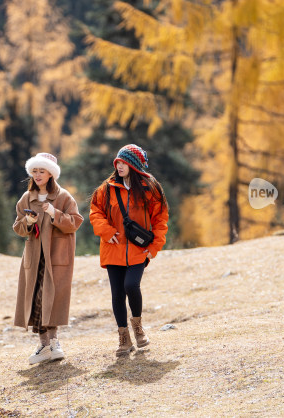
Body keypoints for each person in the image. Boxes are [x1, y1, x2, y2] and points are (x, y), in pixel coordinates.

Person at [89, 144, 169, 356]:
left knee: (131, 285)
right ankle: (123, 338)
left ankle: (138, 328)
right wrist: (106, 231)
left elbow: (160, 219)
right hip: (112, 248)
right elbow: (95, 212)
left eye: (124, 162)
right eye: (118, 162)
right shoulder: (106, 188)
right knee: (117, 293)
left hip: (137, 249)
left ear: (134, 165)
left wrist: (155, 247)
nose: (119, 165)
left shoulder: (149, 188)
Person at [13, 153, 83, 364]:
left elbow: (75, 222)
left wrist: (55, 214)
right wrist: (28, 220)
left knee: (51, 299)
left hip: (56, 258)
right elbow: (18, 228)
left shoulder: (63, 197)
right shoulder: (26, 199)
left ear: (51, 173)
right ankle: (44, 345)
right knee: (36, 299)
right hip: (34, 258)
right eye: (34, 171)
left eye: (41, 171)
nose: (37, 175)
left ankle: (53, 343)